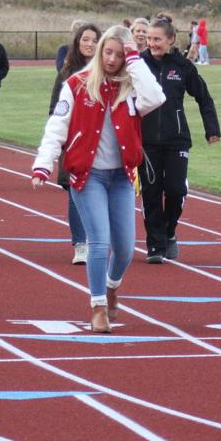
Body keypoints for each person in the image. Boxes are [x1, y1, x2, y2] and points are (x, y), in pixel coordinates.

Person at [31, 25, 165, 333]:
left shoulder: (132, 88)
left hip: (121, 177)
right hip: (87, 176)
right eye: (109, 52)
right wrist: (43, 163)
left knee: (126, 249)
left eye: (120, 54)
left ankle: (112, 284)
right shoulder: (76, 84)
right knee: (99, 242)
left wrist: (135, 58)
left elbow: (156, 97)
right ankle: (98, 306)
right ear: (100, 50)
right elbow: (57, 125)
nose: (113, 59)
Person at [139, 18, 221, 263]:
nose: (152, 44)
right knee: (151, 193)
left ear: (170, 40)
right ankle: (155, 245)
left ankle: (169, 231)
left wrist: (212, 129)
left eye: (157, 39)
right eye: (149, 39)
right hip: (146, 141)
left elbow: (203, 97)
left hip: (177, 140)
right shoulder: (139, 64)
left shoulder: (182, 66)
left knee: (175, 190)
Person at [49, 22, 99, 265]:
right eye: (85, 40)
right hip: (74, 142)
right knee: (75, 192)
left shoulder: (108, 71)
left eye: (94, 40)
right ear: (78, 43)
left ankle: (96, 239)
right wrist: (56, 142)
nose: (90, 44)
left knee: (99, 192)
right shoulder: (67, 74)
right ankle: (80, 243)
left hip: (100, 143)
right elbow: (55, 110)